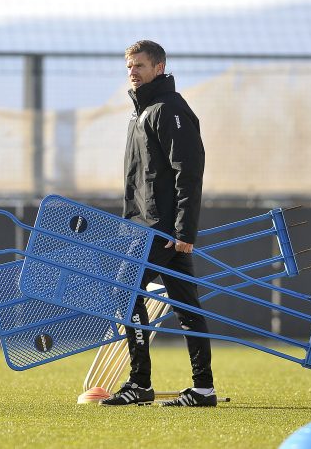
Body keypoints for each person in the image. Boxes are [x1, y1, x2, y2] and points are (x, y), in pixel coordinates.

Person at [100, 40, 215, 407]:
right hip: (141, 228)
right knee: (187, 307)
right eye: (129, 67)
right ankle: (203, 389)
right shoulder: (139, 114)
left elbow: (189, 171)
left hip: (161, 231)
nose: (133, 73)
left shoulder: (169, 109)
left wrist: (184, 231)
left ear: (159, 68)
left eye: (140, 66)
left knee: (123, 290)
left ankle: (140, 384)